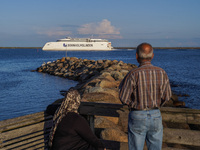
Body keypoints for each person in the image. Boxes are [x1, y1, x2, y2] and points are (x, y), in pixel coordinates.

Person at [119, 43, 172, 150]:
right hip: (156, 114)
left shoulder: (133, 73)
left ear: (137, 56)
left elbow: (123, 98)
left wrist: (133, 104)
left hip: (137, 114)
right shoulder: (161, 72)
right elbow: (167, 96)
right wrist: (157, 104)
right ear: (152, 56)